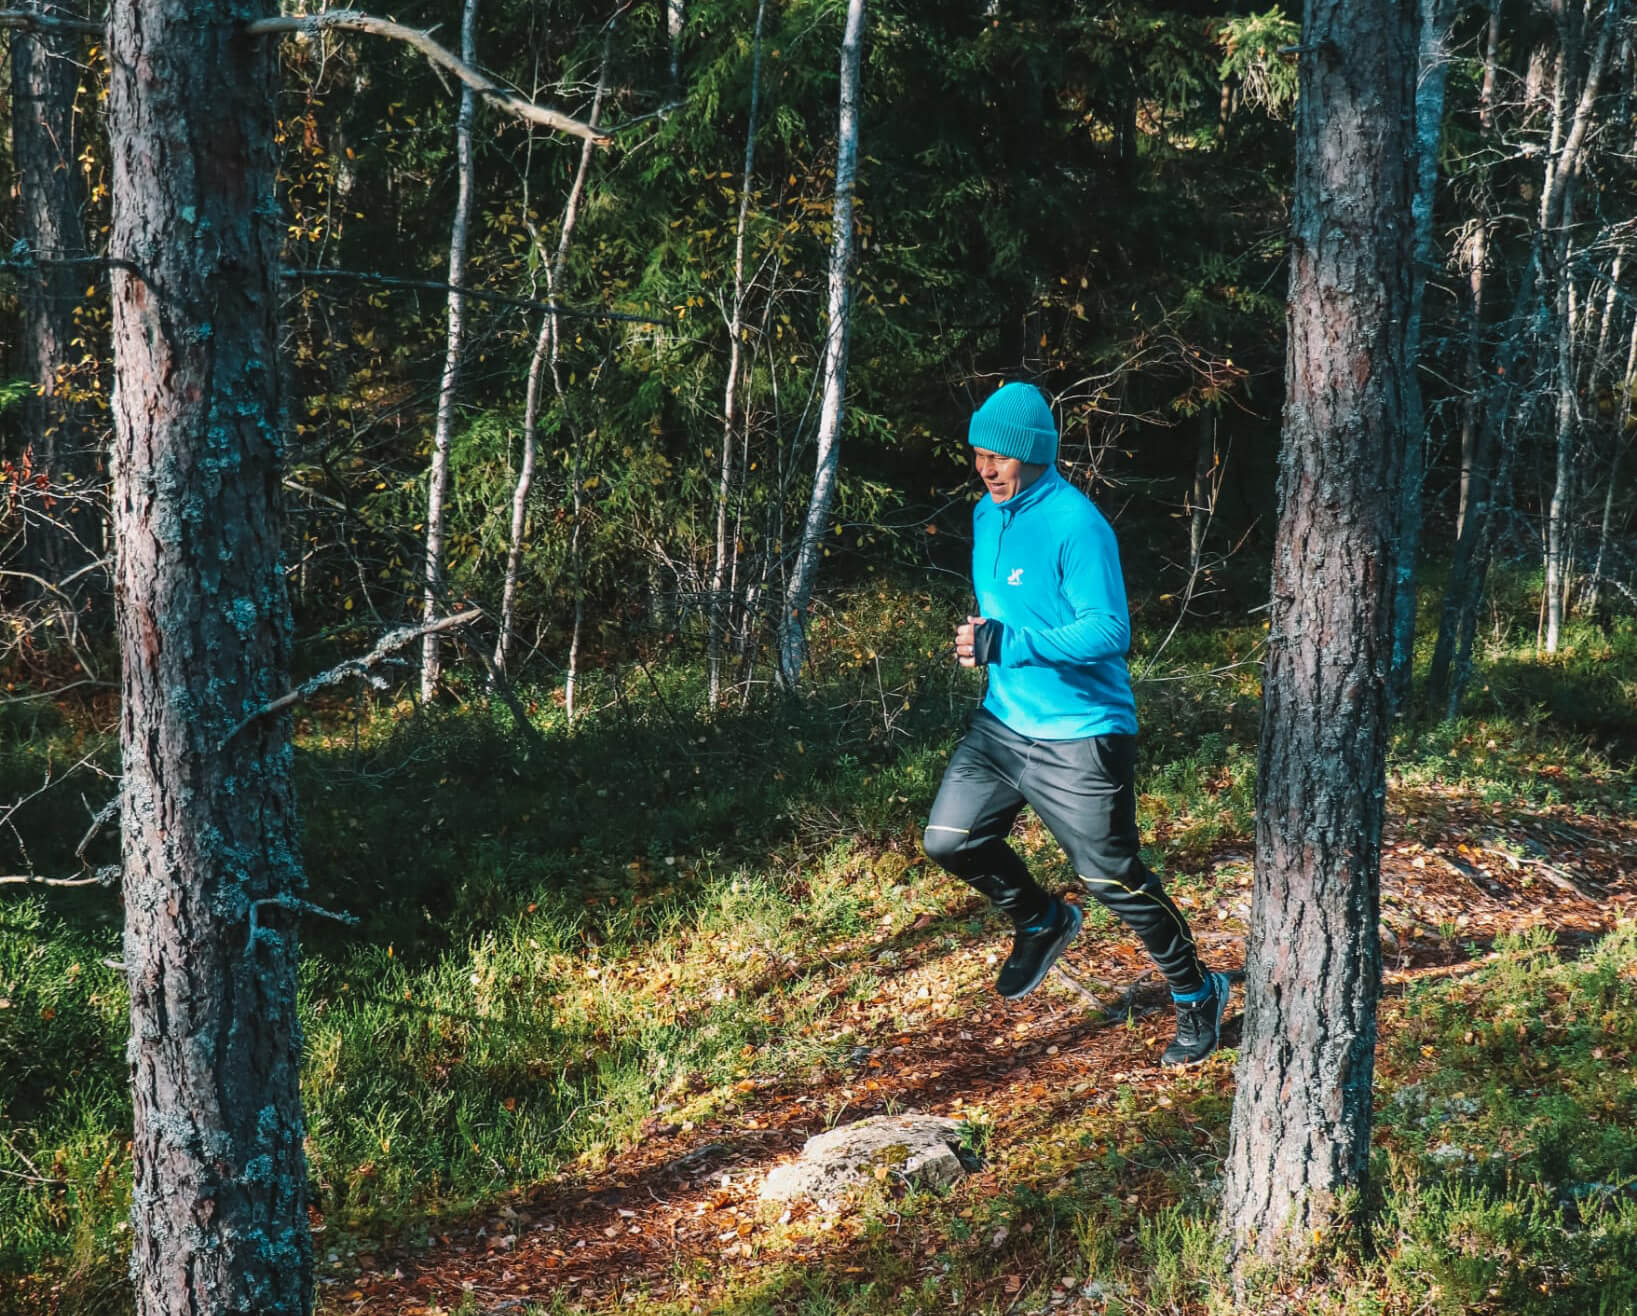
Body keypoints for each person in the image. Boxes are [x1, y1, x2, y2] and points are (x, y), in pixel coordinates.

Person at [921, 381, 1229, 1067]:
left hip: (1081, 732)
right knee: (948, 840)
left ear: (1032, 454)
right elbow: (1014, 610)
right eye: (977, 456)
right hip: (1003, 724)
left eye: (997, 457)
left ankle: (1195, 992)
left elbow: (1108, 630)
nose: (985, 469)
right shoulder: (984, 514)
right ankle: (1040, 918)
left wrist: (1010, 644)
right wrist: (990, 639)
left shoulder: (1075, 524)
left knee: (1113, 879)